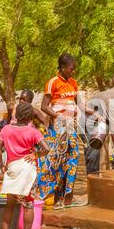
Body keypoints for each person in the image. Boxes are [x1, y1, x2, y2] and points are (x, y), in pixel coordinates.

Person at [38, 53, 96, 210]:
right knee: (58, 162)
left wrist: (94, 114)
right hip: (58, 130)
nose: (73, 71)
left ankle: (69, 199)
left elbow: (81, 106)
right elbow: (44, 107)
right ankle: (57, 199)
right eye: (71, 69)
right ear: (63, 68)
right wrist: (58, 116)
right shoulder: (53, 83)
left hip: (71, 129)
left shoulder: (73, 83)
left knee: (73, 160)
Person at [0, 102, 50, 229]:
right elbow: (47, 148)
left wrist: (2, 166)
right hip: (27, 168)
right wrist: (36, 155)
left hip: (12, 167)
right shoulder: (33, 131)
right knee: (28, 204)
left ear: (16, 115)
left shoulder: (6, 129)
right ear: (31, 117)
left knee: (9, 205)